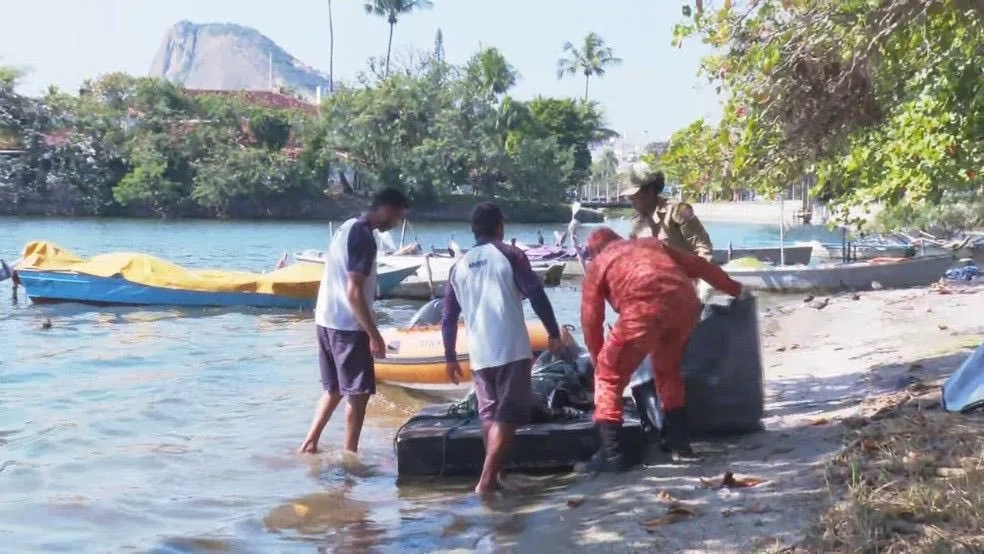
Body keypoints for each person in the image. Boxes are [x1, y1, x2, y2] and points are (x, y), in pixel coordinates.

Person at [576, 227, 745, 472]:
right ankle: (679, 442)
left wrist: (598, 359)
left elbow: (591, 320)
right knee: (668, 369)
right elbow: (697, 264)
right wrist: (735, 289)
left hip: (642, 308)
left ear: (593, 252)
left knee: (607, 375)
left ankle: (611, 453)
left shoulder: (598, 264)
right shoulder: (650, 244)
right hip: (684, 303)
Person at [441, 202, 563, 496]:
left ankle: (495, 477)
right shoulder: (509, 254)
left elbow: (447, 317)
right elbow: (534, 293)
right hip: (511, 349)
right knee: (508, 416)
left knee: (490, 415)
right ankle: (485, 480)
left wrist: (449, 357)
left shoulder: (459, 265)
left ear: (472, 230)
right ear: (500, 225)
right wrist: (553, 332)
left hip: (480, 353)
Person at [298, 188, 410, 455]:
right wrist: (374, 334)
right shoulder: (363, 236)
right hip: (347, 325)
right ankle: (350, 455)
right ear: (384, 208)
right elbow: (354, 290)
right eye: (397, 217)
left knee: (334, 388)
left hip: (326, 319)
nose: (396, 224)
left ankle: (309, 443)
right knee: (358, 395)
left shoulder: (346, 227)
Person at [621, 163, 714, 262]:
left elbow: (703, 247)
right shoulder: (637, 222)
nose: (631, 201)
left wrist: (701, 273)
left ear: (650, 191)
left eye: (634, 196)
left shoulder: (677, 211)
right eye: (629, 198)